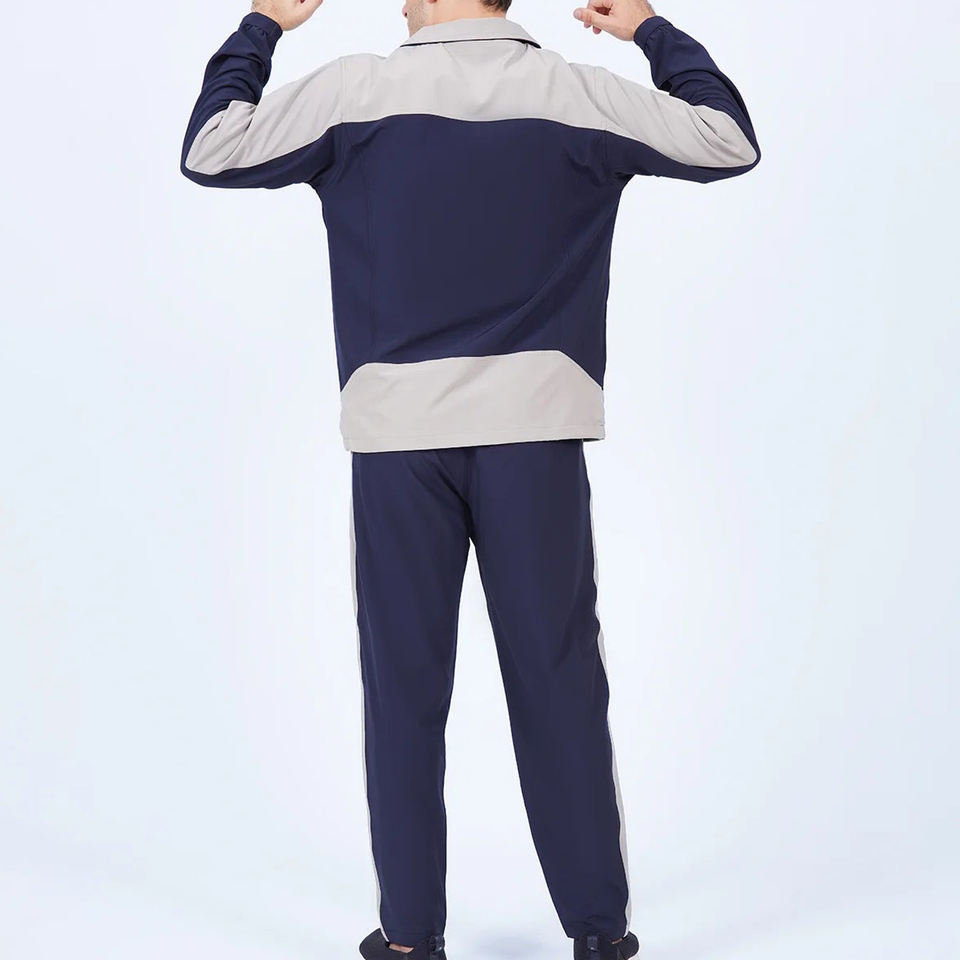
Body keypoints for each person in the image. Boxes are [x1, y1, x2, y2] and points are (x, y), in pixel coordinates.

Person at [181, 0, 760, 956]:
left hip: (400, 437)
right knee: (559, 681)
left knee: (403, 690)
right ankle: (598, 936)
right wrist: (651, 30)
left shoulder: (357, 92)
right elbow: (728, 138)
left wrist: (264, 24)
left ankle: (411, 939)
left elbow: (211, 148)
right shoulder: (573, 94)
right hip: (535, 430)